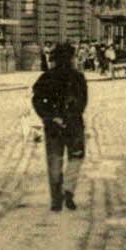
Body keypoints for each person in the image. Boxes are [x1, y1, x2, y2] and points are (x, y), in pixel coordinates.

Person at [31, 42, 89, 212]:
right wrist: (70, 115)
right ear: (71, 58)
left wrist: (50, 116)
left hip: (53, 126)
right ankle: (69, 190)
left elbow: (37, 101)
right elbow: (83, 102)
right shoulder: (78, 77)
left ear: (55, 58)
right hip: (74, 125)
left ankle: (56, 200)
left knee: (54, 161)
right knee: (76, 157)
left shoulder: (46, 77)